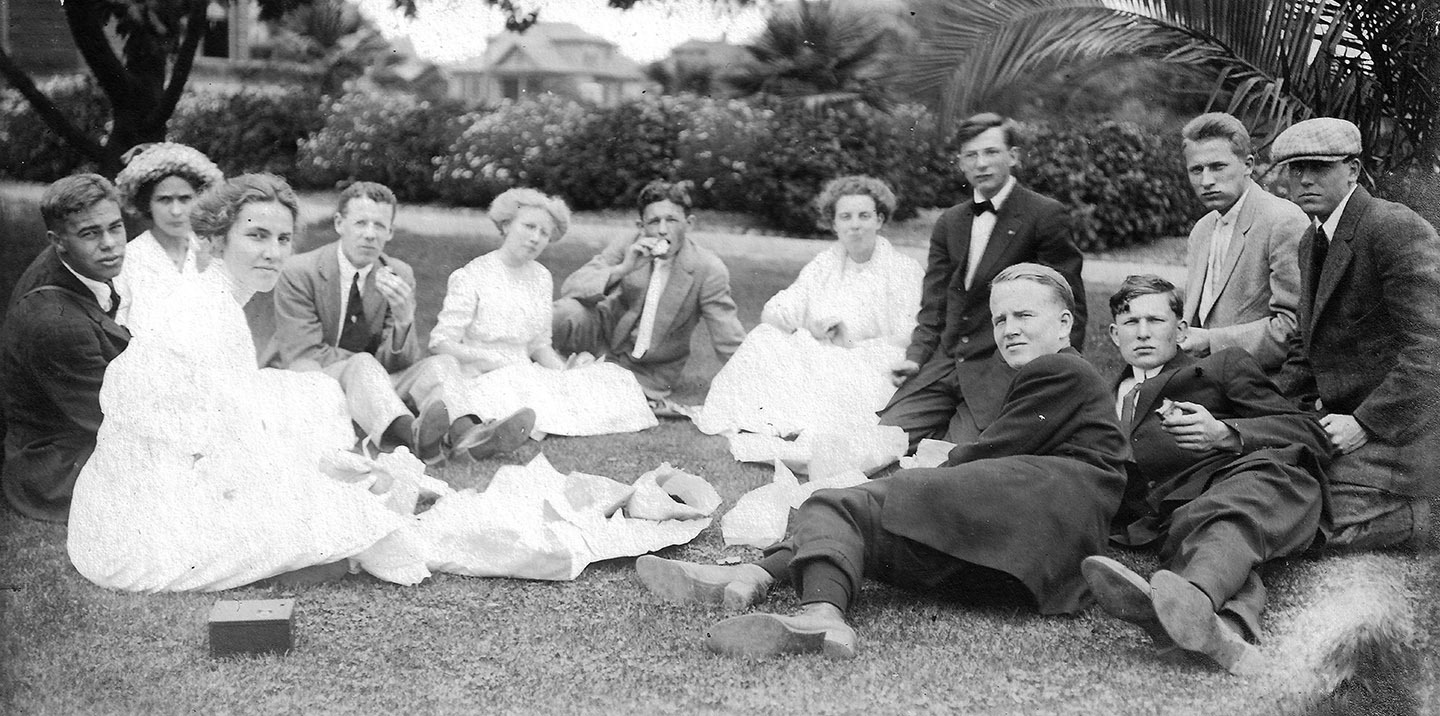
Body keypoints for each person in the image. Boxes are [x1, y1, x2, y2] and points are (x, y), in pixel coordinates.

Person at [636, 264, 1127, 659]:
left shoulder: (1060, 367)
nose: (1009, 329)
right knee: (855, 520)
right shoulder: (1061, 374)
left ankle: (818, 612)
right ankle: (754, 577)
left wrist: (942, 460)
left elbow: (992, 450)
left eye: (1024, 316)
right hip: (1026, 553)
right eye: (1000, 320)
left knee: (840, 504)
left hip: (1040, 519)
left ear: (1064, 323)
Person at [1082, 275, 1329, 674]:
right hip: (1167, 515)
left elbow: (1308, 431)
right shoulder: (1095, 392)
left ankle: (1187, 599)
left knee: (1229, 514)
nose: (1143, 333)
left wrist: (1225, 434)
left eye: (1156, 321)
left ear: (1180, 330)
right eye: (1131, 323)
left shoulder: (1220, 367)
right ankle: (1225, 628)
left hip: (1242, 480)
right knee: (1213, 531)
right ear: (1113, 334)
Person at [262, 182, 533, 464]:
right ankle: (410, 435)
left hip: (372, 380)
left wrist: (404, 321)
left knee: (442, 365)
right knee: (363, 365)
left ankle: (469, 436)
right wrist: (368, 369)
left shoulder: (398, 273)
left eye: (379, 225)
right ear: (340, 224)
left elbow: (402, 363)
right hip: (312, 377)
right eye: (360, 223)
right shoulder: (299, 272)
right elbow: (303, 355)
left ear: (390, 232)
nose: (369, 234)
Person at [1271, 117, 1440, 551]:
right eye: (1295, 168)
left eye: (1319, 167)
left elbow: (1432, 350)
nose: (1305, 178)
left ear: (1352, 169)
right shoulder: (1312, 242)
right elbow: (1305, 353)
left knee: (1300, 516)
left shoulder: (1391, 228)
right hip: (1341, 427)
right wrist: (1263, 413)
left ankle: (1417, 515)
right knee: (1262, 482)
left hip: (1403, 438)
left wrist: (1364, 423)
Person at [879, 113, 1086, 449]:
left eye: (991, 152)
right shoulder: (950, 222)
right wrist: (916, 358)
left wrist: (1054, 376)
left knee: (961, 457)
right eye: (971, 155)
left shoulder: (1044, 215)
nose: (981, 163)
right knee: (883, 439)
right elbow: (934, 305)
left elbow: (1069, 305)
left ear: (1014, 157)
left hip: (1001, 364)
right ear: (960, 163)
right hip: (947, 363)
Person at [694, 176, 922, 441]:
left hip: (872, 360)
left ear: (879, 220)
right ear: (834, 224)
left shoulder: (903, 270)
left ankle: (805, 425)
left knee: (838, 370)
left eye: (864, 216)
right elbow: (779, 308)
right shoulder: (824, 264)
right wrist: (809, 324)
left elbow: (911, 334)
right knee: (764, 337)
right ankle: (762, 420)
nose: (855, 226)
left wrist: (850, 340)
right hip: (822, 352)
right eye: (846, 217)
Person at [427, 188, 656, 437]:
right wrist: (491, 359)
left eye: (544, 232)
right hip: (481, 374)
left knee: (613, 378)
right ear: (506, 225)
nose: (535, 238)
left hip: (525, 373)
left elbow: (539, 345)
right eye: (529, 226)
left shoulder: (541, 277)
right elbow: (440, 343)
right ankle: (501, 424)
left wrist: (564, 374)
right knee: (521, 395)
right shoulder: (471, 275)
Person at [552, 180, 746, 413]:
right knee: (565, 312)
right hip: (603, 341)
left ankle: (569, 374)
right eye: (654, 221)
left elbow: (728, 336)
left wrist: (756, 386)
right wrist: (623, 269)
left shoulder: (708, 269)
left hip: (649, 370)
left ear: (689, 223)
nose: (663, 230)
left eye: (672, 220)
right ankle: (538, 365)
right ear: (641, 225)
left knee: (594, 398)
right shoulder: (629, 244)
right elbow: (572, 287)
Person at [1, 174, 130, 522]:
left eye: (115, 227)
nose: (110, 244)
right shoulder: (57, 323)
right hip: (59, 470)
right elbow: (118, 420)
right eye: (90, 233)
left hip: (77, 433)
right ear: (57, 241)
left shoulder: (71, 266)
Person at [1176, 113, 1308, 373]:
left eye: (1217, 167)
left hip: (1260, 385)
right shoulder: (1202, 229)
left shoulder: (1283, 221)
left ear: (1248, 165)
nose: (1206, 181)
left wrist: (1210, 342)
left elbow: (1293, 329)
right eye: (1196, 170)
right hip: (1203, 378)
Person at [112, 142, 224, 329]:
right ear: (147, 204)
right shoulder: (130, 260)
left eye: (185, 199)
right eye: (164, 200)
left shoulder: (212, 253)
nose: (176, 211)